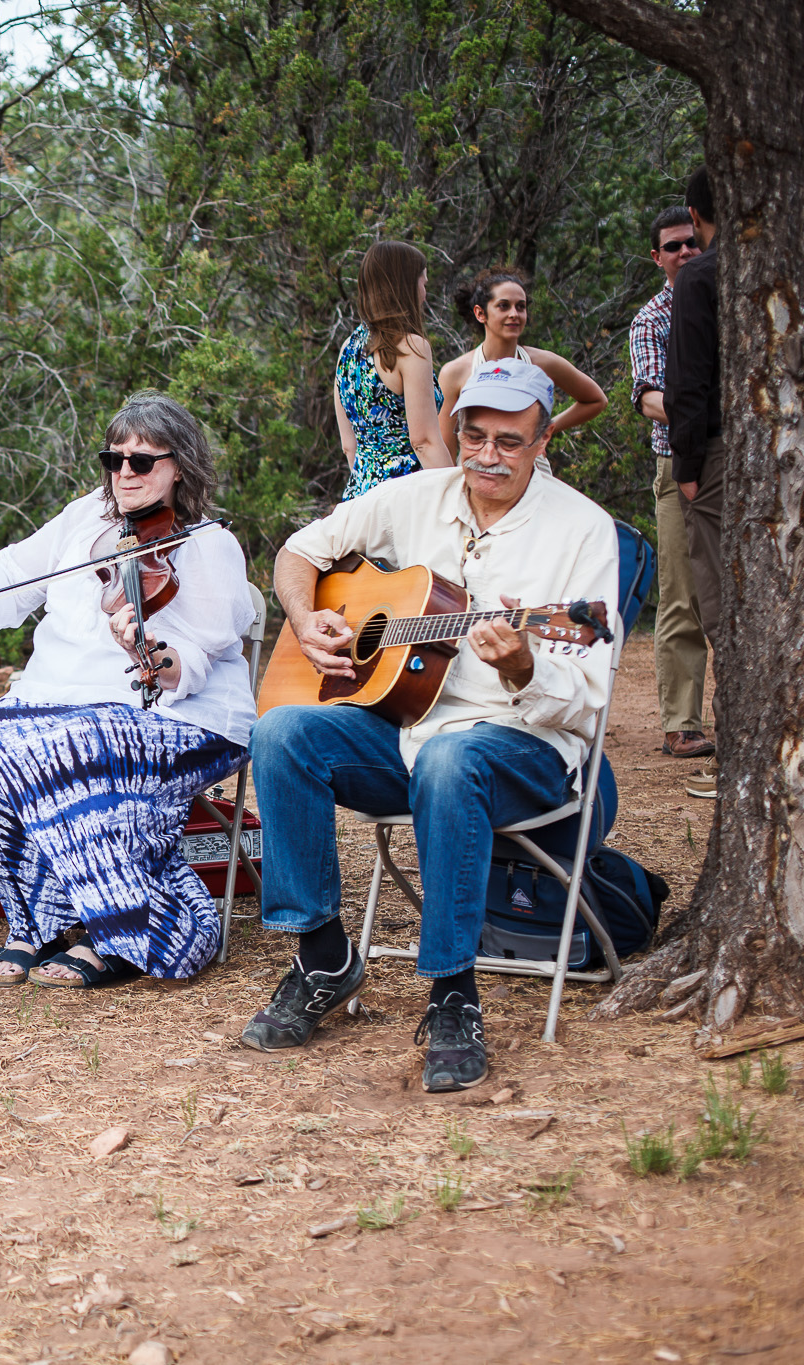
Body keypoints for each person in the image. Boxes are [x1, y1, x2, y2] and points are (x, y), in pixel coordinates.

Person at [244, 361, 618, 1093]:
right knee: (282, 732)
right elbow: (300, 550)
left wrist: (522, 667)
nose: (485, 456)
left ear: (543, 440)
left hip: (523, 742)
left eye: (508, 441)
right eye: (472, 435)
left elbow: (588, 694)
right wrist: (302, 614)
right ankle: (322, 956)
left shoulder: (584, 532)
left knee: (451, 759)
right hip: (407, 729)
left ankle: (453, 993)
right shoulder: (418, 496)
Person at [0, 393, 257, 989]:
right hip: (59, 700)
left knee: (75, 743)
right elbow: (17, 568)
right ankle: (40, 922)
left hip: (180, 716)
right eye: (114, 460)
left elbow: (194, 656)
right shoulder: (86, 515)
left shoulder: (207, 542)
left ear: (178, 467)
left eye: (143, 462)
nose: (125, 474)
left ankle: (130, 929)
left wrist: (150, 653)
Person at [628, 204, 712, 761]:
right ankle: (682, 722)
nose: (685, 252)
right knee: (682, 595)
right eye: (673, 246)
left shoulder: (730, 295)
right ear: (657, 257)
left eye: (691, 242)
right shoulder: (651, 319)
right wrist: (698, 415)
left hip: (737, 465)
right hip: (680, 464)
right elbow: (649, 399)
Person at [665, 168, 722, 801]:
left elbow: (688, 381)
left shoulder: (702, 279)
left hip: (718, 457)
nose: (685, 253)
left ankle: (747, 753)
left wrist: (687, 470)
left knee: (723, 606)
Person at [437, 266, 606, 460]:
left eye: (521, 306)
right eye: (503, 306)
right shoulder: (455, 372)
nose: (514, 314)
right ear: (480, 313)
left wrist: (542, 431)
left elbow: (596, 400)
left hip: (530, 476)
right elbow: (445, 447)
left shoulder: (542, 363)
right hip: (478, 474)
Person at [335, 241, 450, 498]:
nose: (424, 292)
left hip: (360, 498)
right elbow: (424, 442)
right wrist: (457, 497)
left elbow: (348, 445)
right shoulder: (410, 347)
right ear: (405, 285)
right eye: (423, 282)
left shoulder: (348, 348)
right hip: (407, 498)